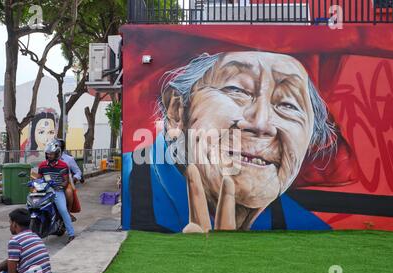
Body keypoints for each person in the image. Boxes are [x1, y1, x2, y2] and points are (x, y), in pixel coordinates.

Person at [122, 51, 338, 233]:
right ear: (177, 110)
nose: (261, 124)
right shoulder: (129, 188)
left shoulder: (308, 225)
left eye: (288, 104)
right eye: (237, 90)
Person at [37, 139, 76, 243]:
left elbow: (65, 181)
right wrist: (36, 183)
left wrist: (59, 186)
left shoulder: (63, 166)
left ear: (57, 154)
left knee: (63, 210)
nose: (49, 156)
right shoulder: (42, 165)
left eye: (51, 154)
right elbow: (39, 178)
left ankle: (71, 234)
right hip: (44, 191)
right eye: (47, 154)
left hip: (57, 191)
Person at [57, 139, 83, 217]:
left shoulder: (69, 159)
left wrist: (74, 179)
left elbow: (78, 172)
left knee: (69, 192)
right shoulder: (49, 158)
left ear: (62, 148)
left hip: (65, 182)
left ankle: (67, 212)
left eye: (57, 147)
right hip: (50, 182)